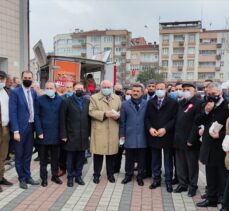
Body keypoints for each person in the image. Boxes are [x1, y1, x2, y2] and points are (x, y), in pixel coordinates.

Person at [196, 82, 229, 207]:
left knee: (222, 175)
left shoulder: (226, 106)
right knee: (210, 173)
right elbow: (197, 121)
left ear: (220, 93)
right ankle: (211, 198)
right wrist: (206, 111)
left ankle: (222, 199)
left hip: (221, 147)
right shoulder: (206, 105)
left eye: (214, 94)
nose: (211, 96)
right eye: (208, 94)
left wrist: (220, 135)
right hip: (208, 145)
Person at [145, 81, 177, 193]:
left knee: (168, 160)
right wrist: (150, 128)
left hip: (167, 135)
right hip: (154, 134)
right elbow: (147, 118)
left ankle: (168, 181)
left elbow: (174, 119)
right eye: (157, 88)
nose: (159, 90)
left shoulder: (173, 102)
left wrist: (165, 129)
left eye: (161, 88)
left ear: (166, 89)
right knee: (155, 159)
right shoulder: (150, 102)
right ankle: (156, 180)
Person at [9, 70, 39, 189]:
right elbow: (13, 112)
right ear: (22, 78)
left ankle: (28, 176)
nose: (27, 79)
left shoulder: (33, 92)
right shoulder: (15, 92)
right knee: (19, 155)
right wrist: (15, 131)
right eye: (25, 77)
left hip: (31, 127)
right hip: (20, 129)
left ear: (32, 78)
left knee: (28, 155)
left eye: (29, 77)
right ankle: (21, 178)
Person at [89, 80, 121, 184]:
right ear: (101, 87)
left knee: (111, 155)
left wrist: (118, 115)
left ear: (111, 88)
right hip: (99, 129)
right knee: (98, 155)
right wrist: (104, 114)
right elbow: (91, 111)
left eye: (108, 87)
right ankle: (96, 175)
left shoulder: (117, 98)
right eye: (104, 87)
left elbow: (121, 111)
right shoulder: (94, 97)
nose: (106, 89)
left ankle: (110, 175)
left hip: (113, 129)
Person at [173, 83, 201, 197]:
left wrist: (191, 139)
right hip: (179, 139)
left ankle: (193, 186)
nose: (185, 91)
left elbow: (197, 123)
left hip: (190, 140)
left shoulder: (198, 103)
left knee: (192, 164)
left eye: (188, 89)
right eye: (183, 89)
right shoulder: (181, 103)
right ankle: (182, 184)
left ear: (194, 91)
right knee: (180, 164)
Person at [60, 82, 90, 187]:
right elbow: (62, 120)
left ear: (84, 89)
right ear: (73, 90)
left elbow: (89, 119)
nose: (79, 90)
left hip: (83, 135)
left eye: (81, 88)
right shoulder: (66, 101)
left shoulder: (87, 102)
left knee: (81, 158)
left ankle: (78, 176)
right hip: (71, 135)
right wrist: (63, 135)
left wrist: (89, 133)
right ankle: (70, 177)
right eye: (77, 88)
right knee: (70, 158)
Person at [35, 81, 63, 187]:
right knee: (43, 159)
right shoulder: (39, 100)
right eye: (47, 88)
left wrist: (62, 133)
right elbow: (36, 116)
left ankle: (55, 176)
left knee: (55, 158)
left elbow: (63, 118)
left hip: (56, 134)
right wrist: (39, 131)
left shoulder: (61, 100)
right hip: (43, 134)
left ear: (55, 89)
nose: (49, 90)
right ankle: (44, 178)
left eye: (51, 88)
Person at [120, 83, 147, 186]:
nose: (135, 93)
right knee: (129, 157)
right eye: (134, 91)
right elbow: (122, 121)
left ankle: (140, 176)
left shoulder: (146, 103)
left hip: (143, 135)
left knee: (141, 158)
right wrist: (122, 135)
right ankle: (128, 175)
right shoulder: (125, 104)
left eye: (137, 91)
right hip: (129, 135)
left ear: (142, 92)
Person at [0, 71, 13, 192]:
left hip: (6, 128)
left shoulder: (6, 92)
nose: (1, 81)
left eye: (3, 79)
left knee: (3, 156)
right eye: (0, 78)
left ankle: (1, 177)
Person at [58, 81, 74, 177]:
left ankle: (72, 169)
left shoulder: (76, 98)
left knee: (72, 151)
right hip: (64, 128)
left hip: (73, 129)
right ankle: (62, 168)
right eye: (67, 87)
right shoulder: (61, 99)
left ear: (73, 88)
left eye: (70, 87)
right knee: (63, 151)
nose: (69, 88)